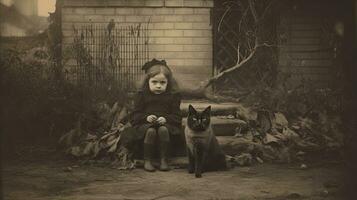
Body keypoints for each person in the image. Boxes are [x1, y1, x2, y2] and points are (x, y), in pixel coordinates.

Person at [130, 59, 182, 172]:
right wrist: (146, 118)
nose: (158, 86)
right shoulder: (142, 95)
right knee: (151, 131)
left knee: (163, 129)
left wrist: (166, 118)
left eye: (162, 83)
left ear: (168, 83)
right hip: (145, 125)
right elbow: (135, 115)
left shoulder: (172, 96)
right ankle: (147, 160)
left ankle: (164, 159)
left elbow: (177, 116)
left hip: (166, 125)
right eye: (154, 82)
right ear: (147, 81)